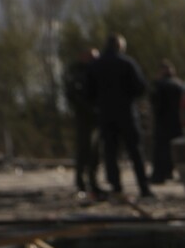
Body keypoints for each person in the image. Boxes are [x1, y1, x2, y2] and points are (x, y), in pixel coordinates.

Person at [86, 34, 153, 198]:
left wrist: (99, 103)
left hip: (105, 114)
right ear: (119, 46)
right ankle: (143, 187)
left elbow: (88, 92)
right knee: (135, 151)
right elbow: (140, 87)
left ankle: (116, 187)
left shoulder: (95, 65)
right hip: (126, 113)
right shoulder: (127, 63)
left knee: (110, 152)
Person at [63, 48, 103, 198]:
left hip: (94, 118)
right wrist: (89, 109)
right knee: (83, 150)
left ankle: (92, 182)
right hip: (84, 118)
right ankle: (81, 182)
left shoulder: (95, 73)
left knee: (95, 152)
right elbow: (74, 96)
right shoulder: (77, 74)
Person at [149, 60, 184, 184]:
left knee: (161, 150)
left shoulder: (160, 85)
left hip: (163, 122)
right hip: (178, 122)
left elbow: (155, 104)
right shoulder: (180, 84)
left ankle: (159, 176)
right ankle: (171, 172)